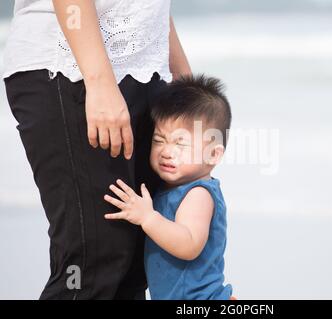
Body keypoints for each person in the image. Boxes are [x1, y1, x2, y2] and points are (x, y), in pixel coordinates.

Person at [3, 0, 191, 299]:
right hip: (70, 70)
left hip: (145, 72)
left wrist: (185, 82)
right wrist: (99, 81)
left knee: (135, 260)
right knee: (93, 262)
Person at [103, 75, 235, 300]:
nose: (166, 151)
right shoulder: (170, 189)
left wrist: (147, 218)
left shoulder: (199, 194)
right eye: (159, 140)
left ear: (213, 154)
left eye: (180, 143)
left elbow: (189, 244)